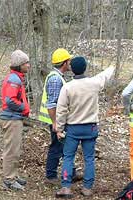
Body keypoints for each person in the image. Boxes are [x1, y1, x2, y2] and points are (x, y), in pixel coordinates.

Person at [55, 57, 115, 198]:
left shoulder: (67, 87)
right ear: (85, 68)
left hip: (73, 128)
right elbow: (104, 76)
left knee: (68, 157)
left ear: (72, 69)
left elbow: (61, 110)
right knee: (89, 158)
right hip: (90, 128)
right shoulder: (94, 83)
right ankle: (87, 188)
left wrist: (59, 128)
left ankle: (66, 187)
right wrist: (112, 67)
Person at [38, 48, 79, 184]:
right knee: (57, 146)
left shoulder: (57, 77)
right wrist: (56, 123)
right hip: (55, 120)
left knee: (65, 146)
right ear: (64, 63)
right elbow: (52, 104)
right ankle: (51, 175)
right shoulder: (56, 79)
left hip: (57, 119)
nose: (70, 63)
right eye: (69, 61)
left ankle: (71, 173)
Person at [0, 50, 30, 191]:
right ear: (19, 65)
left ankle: (13, 175)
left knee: (15, 150)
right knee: (11, 150)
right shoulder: (14, 80)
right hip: (11, 119)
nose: (29, 65)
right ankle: (8, 180)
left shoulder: (17, 78)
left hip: (15, 118)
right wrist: (24, 108)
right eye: (26, 63)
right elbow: (10, 100)